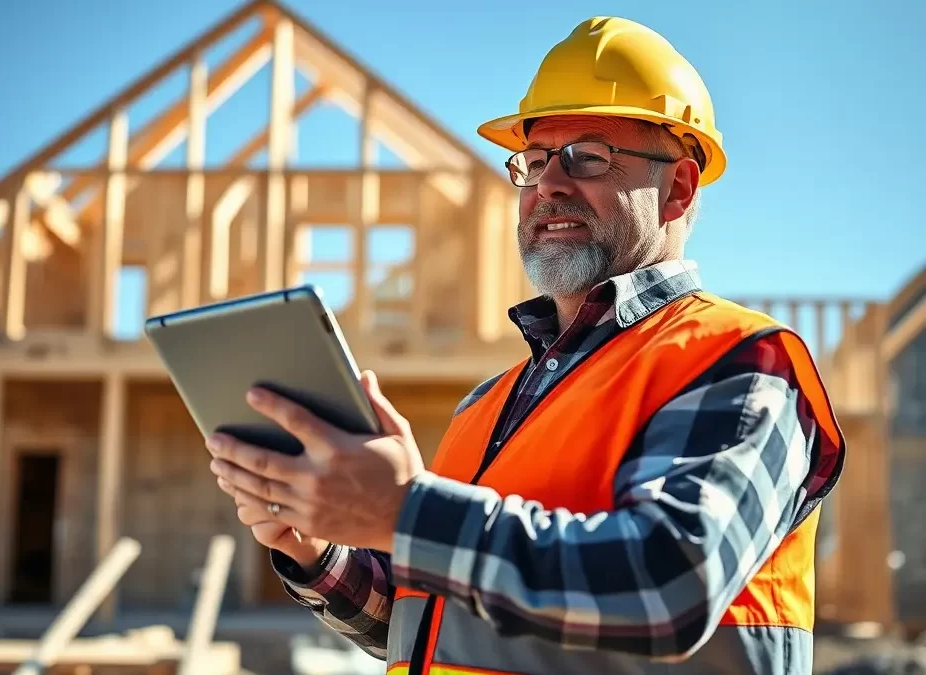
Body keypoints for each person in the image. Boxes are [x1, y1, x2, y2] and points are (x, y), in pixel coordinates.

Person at [206, 15, 845, 675]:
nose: (549, 185)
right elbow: (433, 620)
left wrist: (404, 510)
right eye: (535, 161)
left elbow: (668, 583)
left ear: (678, 188)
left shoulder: (737, 364)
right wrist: (319, 546)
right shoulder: (490, 403)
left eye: (587, 157)